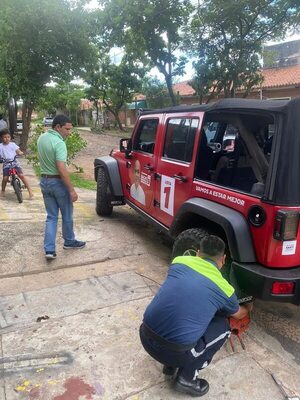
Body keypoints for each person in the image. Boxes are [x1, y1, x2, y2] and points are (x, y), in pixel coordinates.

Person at [140, 235, 253, 397]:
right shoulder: (224, 288)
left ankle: (169, 365)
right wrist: (249, 306)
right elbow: (239, 314)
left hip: (145, 336)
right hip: (173, 352)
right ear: (223, 259)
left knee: (183, 308)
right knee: (223, 326)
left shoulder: (179, 261)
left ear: (198, 253)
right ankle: (186, 379)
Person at [37, 114, 86, 260]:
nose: (69, 133)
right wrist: (71, 190)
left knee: (51, 217)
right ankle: (69, 241)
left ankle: (49, 250)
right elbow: (61, 168)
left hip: (44, 182)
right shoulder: (59, 143)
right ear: (57, 127)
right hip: (58, 183)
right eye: (67, 129)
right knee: (67, 215)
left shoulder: (42, 138)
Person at [0, 129, 33, 199]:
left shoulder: (13, 145)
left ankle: (30, 191)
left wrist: (20, 152)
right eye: (4, 137)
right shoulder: (1, 146)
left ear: (10, 138)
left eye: (8, 137)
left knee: (21, 175)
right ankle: (3, 190)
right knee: (5, 178)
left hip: (14, 162)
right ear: (1, 138)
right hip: (6, 163)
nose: (7, 138)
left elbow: (18, 150)